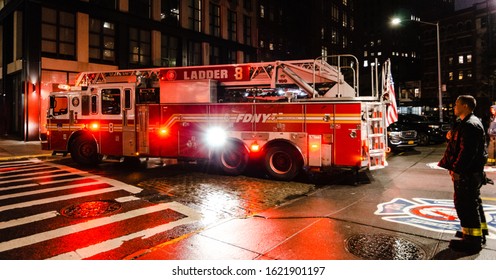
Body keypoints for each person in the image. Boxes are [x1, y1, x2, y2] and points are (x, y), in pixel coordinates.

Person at [438, 95, 488, 254]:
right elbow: (462, 143)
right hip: (472, 173)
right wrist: (452, 135)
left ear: (465, 106)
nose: (454, 107)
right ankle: (477, 233)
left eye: (456, 104)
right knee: (473, 204)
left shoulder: (470, 125)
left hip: (466, 174)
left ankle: (472, 241)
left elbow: (467, 153)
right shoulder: (468, 123)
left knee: (465, 205)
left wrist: (457, 170)